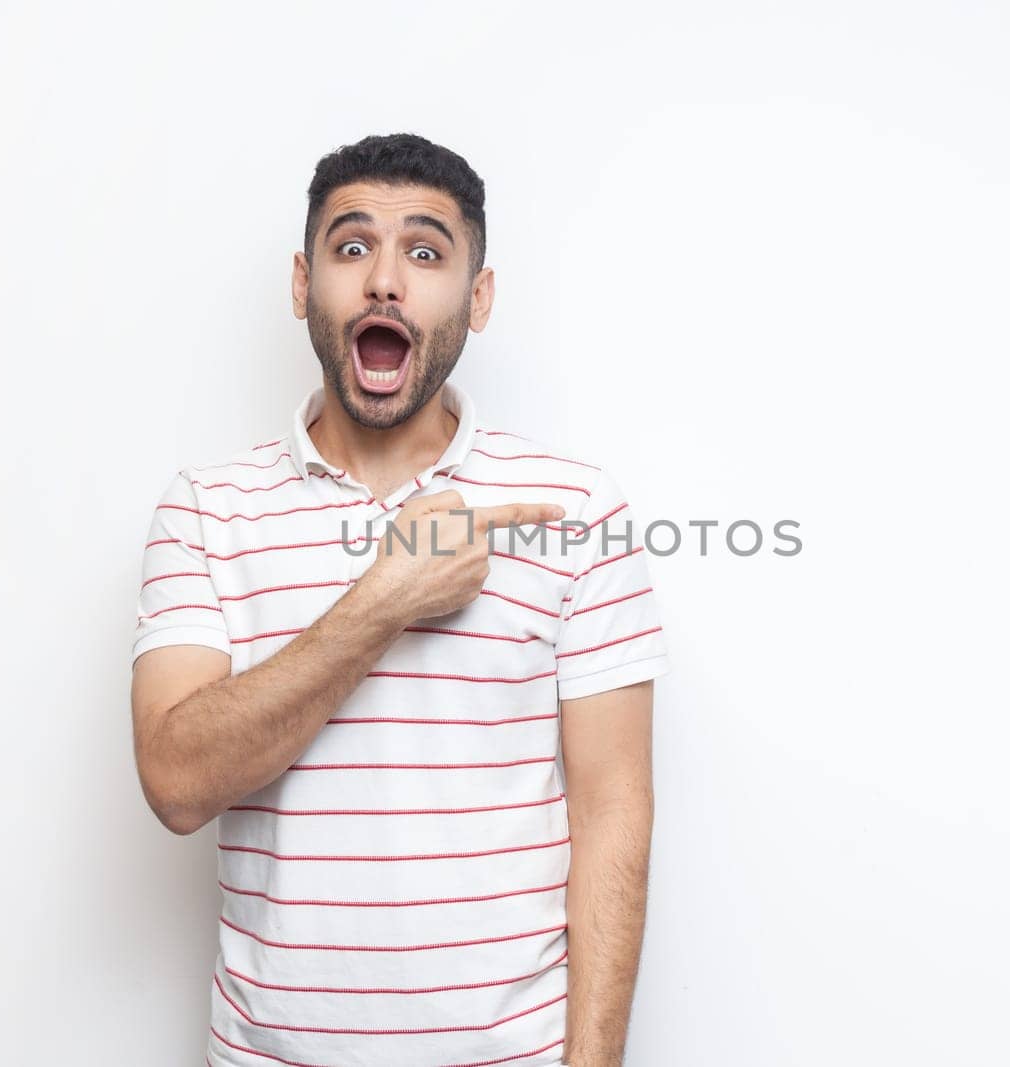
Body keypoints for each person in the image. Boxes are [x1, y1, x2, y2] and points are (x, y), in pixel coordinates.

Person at [130, 132, 672, 1067]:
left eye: (426, 252)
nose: (386, 281)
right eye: (352, 248)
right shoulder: (205, 508)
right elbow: (177, 783)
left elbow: (613, 810)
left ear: (479, 296)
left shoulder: (576, 509)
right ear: (304, 286)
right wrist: (383, 599)